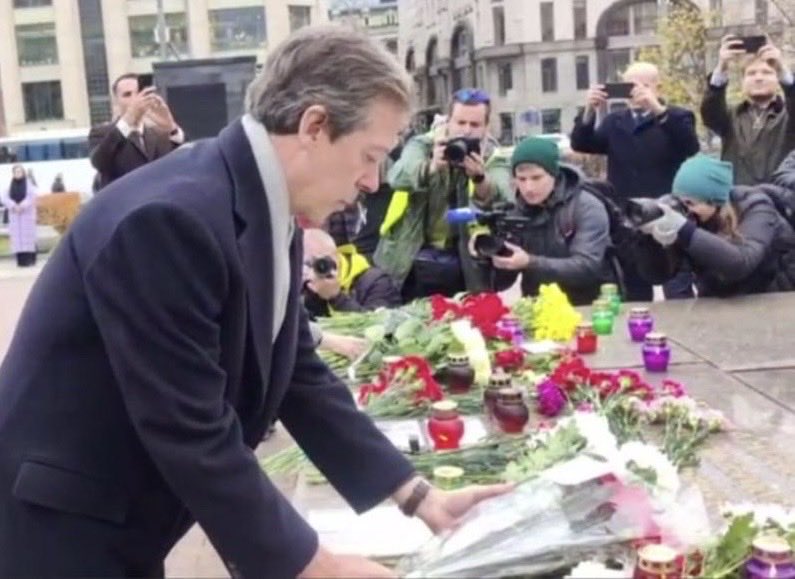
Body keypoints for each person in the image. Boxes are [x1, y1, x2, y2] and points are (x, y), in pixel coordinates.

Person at [0, 26, 510, 578]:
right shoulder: (173, 219)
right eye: (369, 156)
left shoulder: (256, 203)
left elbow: (296, 374)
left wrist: (418, 496)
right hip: (60, 531)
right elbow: (189, 425)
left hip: (113, 517)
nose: (371, 181)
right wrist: (317, 567)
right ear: (314, 126)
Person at [570, 62, 700, 301]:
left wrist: (656, 108)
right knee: (634, 288)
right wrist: (589, 110)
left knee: (677, 285)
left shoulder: (676, 116)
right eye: (630, 86)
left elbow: (690, 146)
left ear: (658, 87)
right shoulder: (615, 121)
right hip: (628, 214)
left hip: (667, 210)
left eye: (644, 86)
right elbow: (581, 143)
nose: (636, 92)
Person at [374, 89, 512, 300]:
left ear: (486, 127)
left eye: (475, 125)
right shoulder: (425, 144)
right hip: (409, 256)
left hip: (464, 264)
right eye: (460, 122)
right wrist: (431, 166)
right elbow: (397, 177)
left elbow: (504, 198)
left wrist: (480, 178)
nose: (466, 131)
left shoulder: (493, 156)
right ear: (448, 121)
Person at [469, 137, 613, 305]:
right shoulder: (516, 210)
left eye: (536, 178)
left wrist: (530, 262)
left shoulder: (586, 206)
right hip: (538, 305)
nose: (529, 188)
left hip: (591, 305)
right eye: (521, 179)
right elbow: (501, 283)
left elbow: (587, 267)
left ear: (554, 174)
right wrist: (487, 257)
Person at [634, 155, 795, 297]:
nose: (686, 210)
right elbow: (658, 276)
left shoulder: (757, 208)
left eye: (690, 203)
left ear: (715, 201)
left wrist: (685, 230)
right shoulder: (694, 219)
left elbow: (741, 263)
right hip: (720, 300)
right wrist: (650, 241)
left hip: (775, 296)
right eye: (680, 202)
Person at [701, 35, 795, 186]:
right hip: (739, 196)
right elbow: (710, 114)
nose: (759, 78)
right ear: (743, 82)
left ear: (777, 79)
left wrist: (782, 68)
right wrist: (721, 67)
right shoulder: (731, 116)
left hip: (781, 196)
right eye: (751, 73)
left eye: (767, 72)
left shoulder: (788, 116)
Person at [89, 73, 185, 189]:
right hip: (123, 198)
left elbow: (182, 161)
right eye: (127, 95)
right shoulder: (102, 132)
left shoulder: (158, 134)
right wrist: (128, 120)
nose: (135, 100)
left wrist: (171, 128)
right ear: (116, 101)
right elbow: (99, 162)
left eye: (138, 93)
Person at [302, 228, 401, 319]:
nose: (314, 270)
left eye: (321, 263)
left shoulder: (377, 282)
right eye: (306, 264)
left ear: (337, 256)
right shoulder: (304, 286)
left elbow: (377, 326)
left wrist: (336, 297)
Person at [1, 165, 38, 267]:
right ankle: (20, 261)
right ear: (13, 174)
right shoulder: (9, 186)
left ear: (23, 173)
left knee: (28, 239)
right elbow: (4, 198)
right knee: (18, 240)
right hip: (15, 216)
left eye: (20, 172)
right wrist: (13, 206)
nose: (18, 174)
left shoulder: (29, 185)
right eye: (16, 172)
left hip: (27, 215)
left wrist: (22, 206)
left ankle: (30, 260)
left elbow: (32, 197)